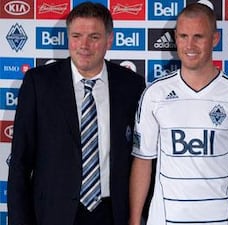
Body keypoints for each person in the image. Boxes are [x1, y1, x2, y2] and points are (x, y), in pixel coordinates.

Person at [129, 2, 228, 225]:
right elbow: (143, 161)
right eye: (183, 36)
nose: (189, 45)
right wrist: (134, 219)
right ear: (175, 38)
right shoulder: (155, 94)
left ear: (214, 39)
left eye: (198, 37)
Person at [7, 2, 145, 225]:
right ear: (67, 37)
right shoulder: (39, 83)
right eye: (76, 35)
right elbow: (20, 163)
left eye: (94, 37)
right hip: (53, 214)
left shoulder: (131, 86)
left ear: (109, 40)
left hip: (112, 214)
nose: (84, 45)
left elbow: (142, 157)